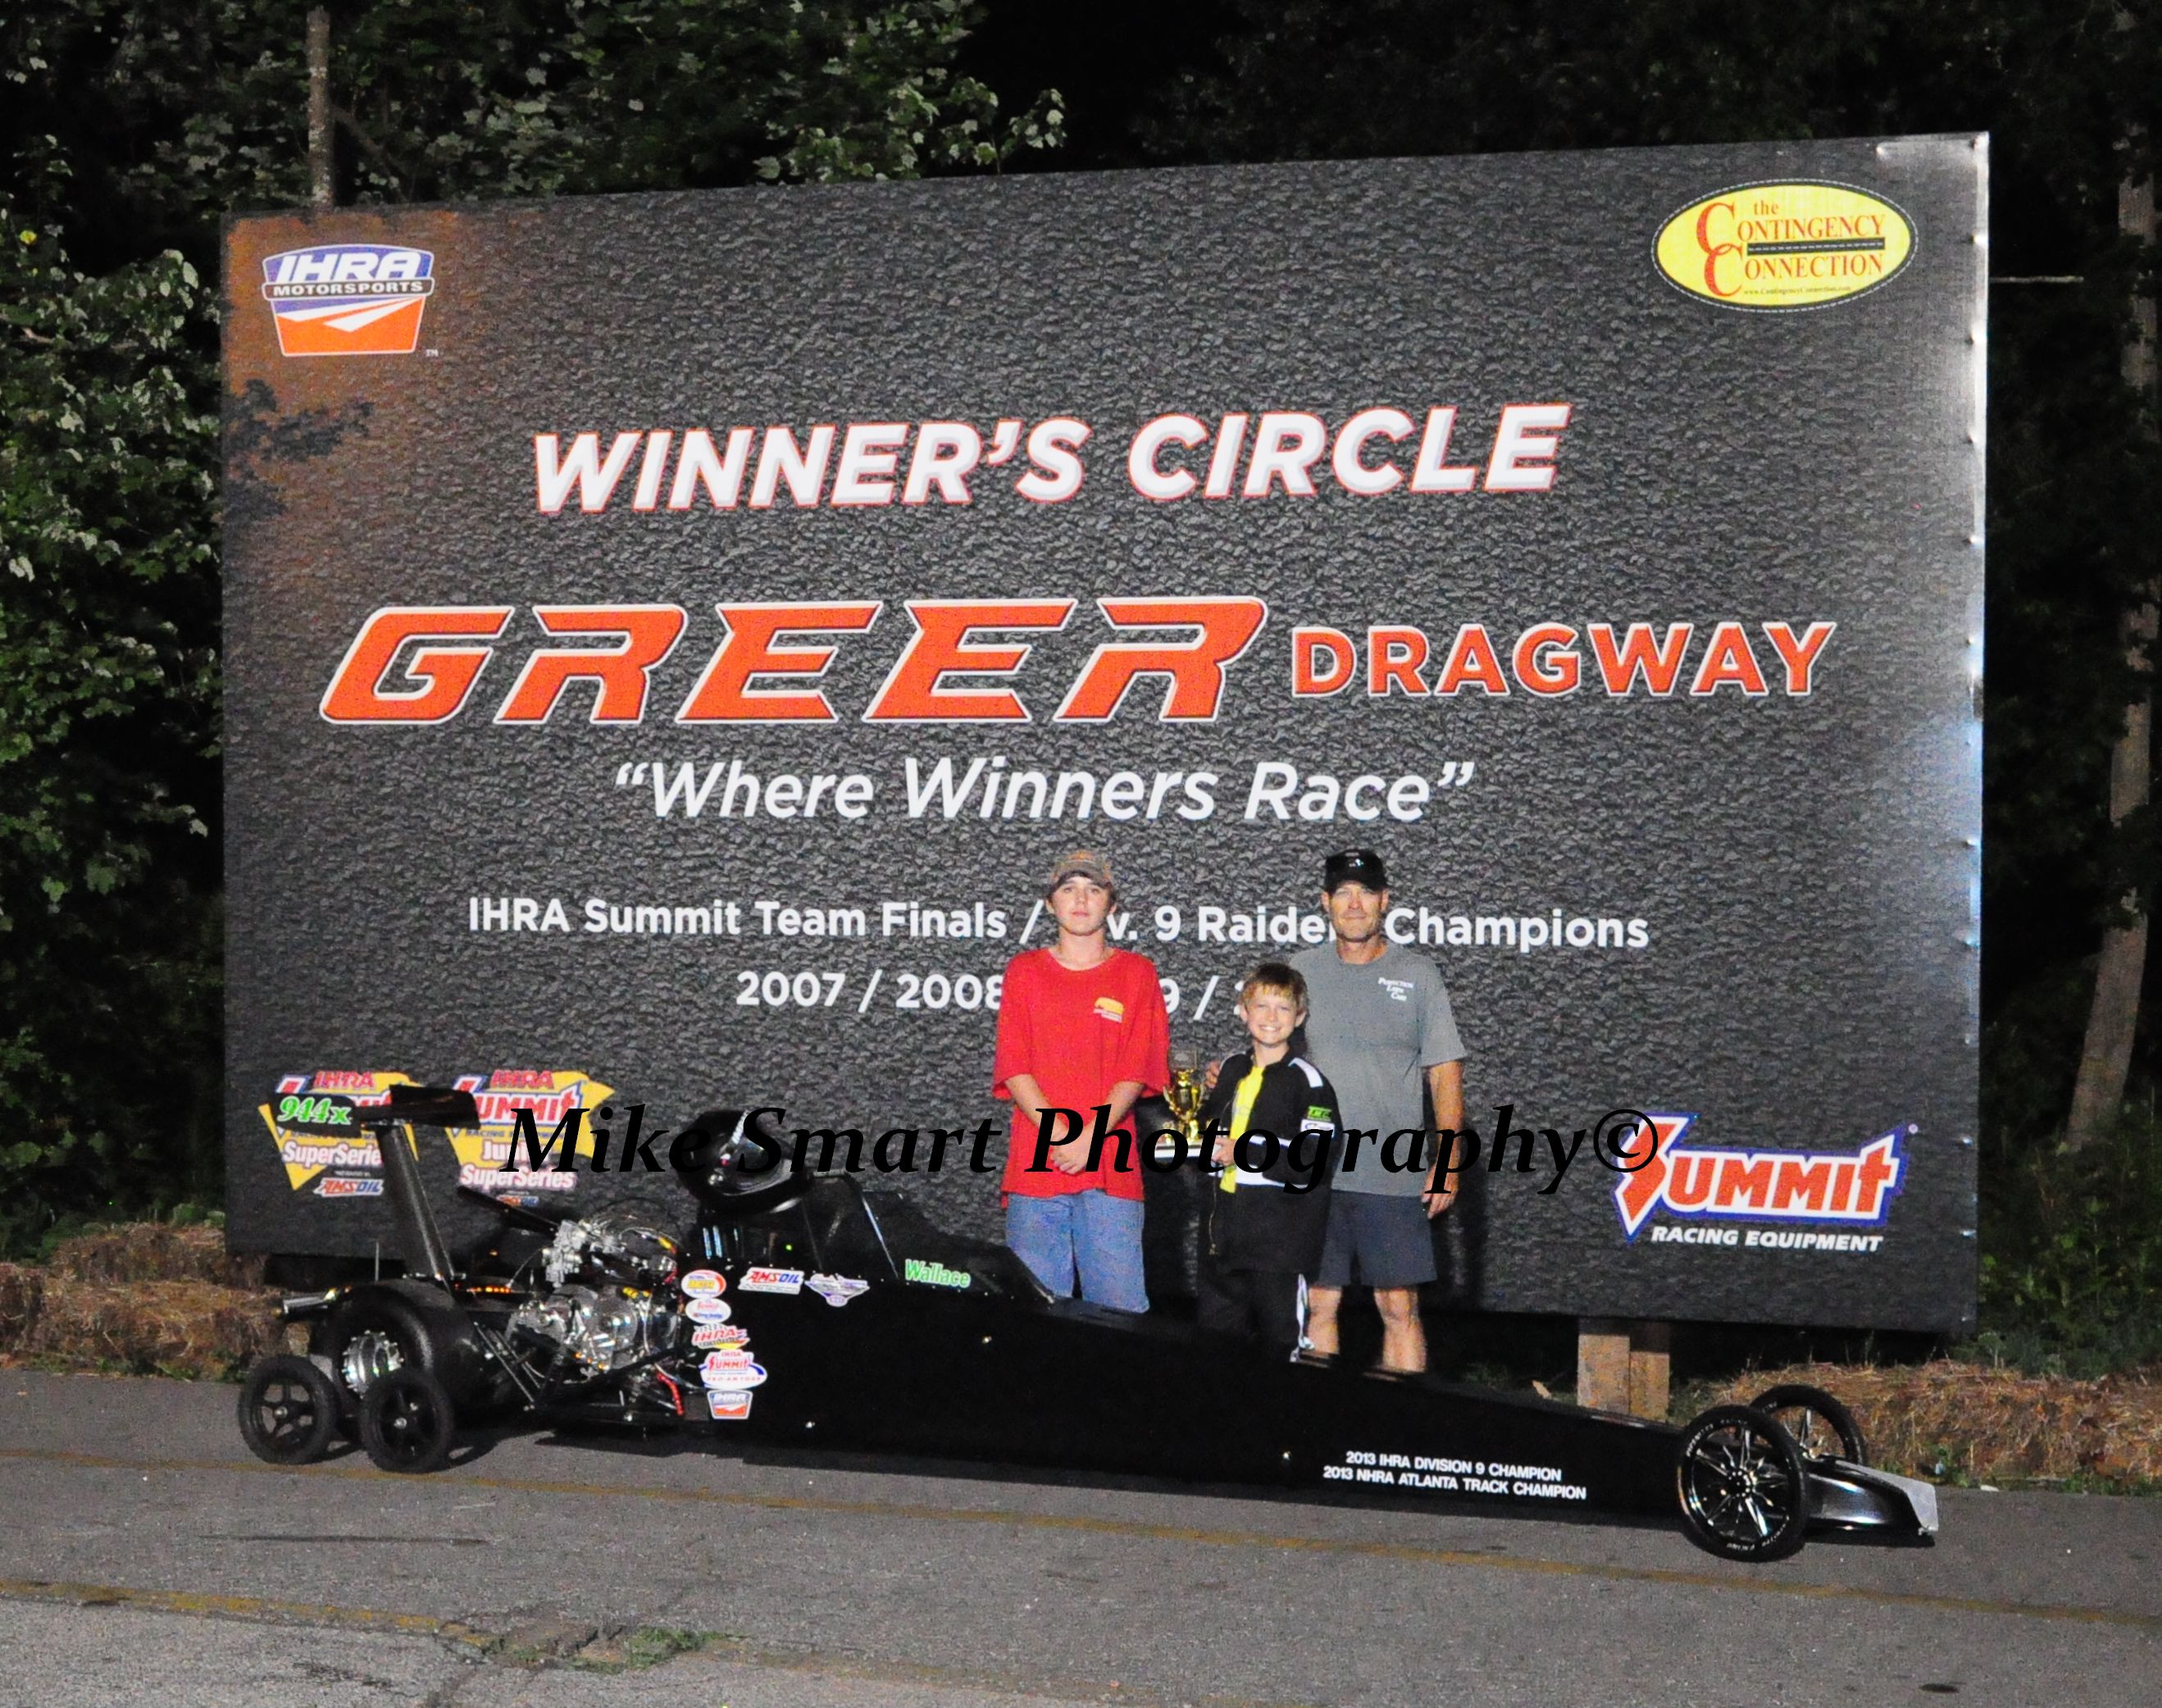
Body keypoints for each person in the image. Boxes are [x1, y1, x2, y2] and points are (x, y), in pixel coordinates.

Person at [1290, 848, 1464, 1373]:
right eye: (1343, 892)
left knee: (1398, 1308)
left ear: (1384, 901)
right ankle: (1316, 1420)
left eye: (1365, 892)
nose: (1354, 903)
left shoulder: (1418, 974)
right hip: (1316, 1174)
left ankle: (1400, 1423)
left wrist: (1448, 1161)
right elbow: (1273, 1057)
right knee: (1319, 1304)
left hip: (1392, 1173)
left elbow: (1445, 1073)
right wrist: (1227, 1073)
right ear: (1325, 902)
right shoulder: (1300, 971)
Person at [991, 849, 1167, 1310]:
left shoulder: (1137, 973)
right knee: (1036, 1315)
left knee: (1120, 1316)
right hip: (1038, 1165)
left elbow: (1136, 1069)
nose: (1081, 900)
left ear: (1112, 904)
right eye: (1068, 889)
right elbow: (1015, 1066)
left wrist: (1088, 1139)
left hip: (1109, 1164)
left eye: (1093, 889)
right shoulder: (1024, 971)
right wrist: (1063, 1135)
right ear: (1050, 904)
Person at [1195, 962, 1341, 1356]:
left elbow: (1314, 1161)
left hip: (1279, 1251)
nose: (1271, 1018)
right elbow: (1208, 1134)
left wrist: (1243, 1150)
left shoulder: (1310, 1083)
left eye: (1283, 1008)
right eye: (1261, 1006)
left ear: (1300, 1017)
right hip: (1222, 1244)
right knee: (1214, 1354)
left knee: (1280, 1353)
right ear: (1244, 1012)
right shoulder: (1231, 1069)